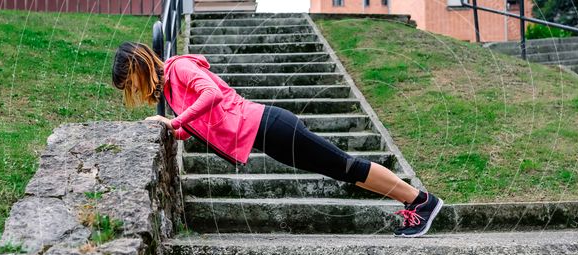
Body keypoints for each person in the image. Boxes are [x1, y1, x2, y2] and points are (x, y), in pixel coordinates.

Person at [111, 41, 443, 237]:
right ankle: (415, 202)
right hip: (267, 134)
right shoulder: (170, 87)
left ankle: (420, 201)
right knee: (343, 170)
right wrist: (177, 128)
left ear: (139, 66)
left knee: (346, 166)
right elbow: (206, 120)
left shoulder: (179, 68)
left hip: (269, 125)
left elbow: (211, 94)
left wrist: (174, 120)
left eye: (130, 82)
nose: (133, 91)